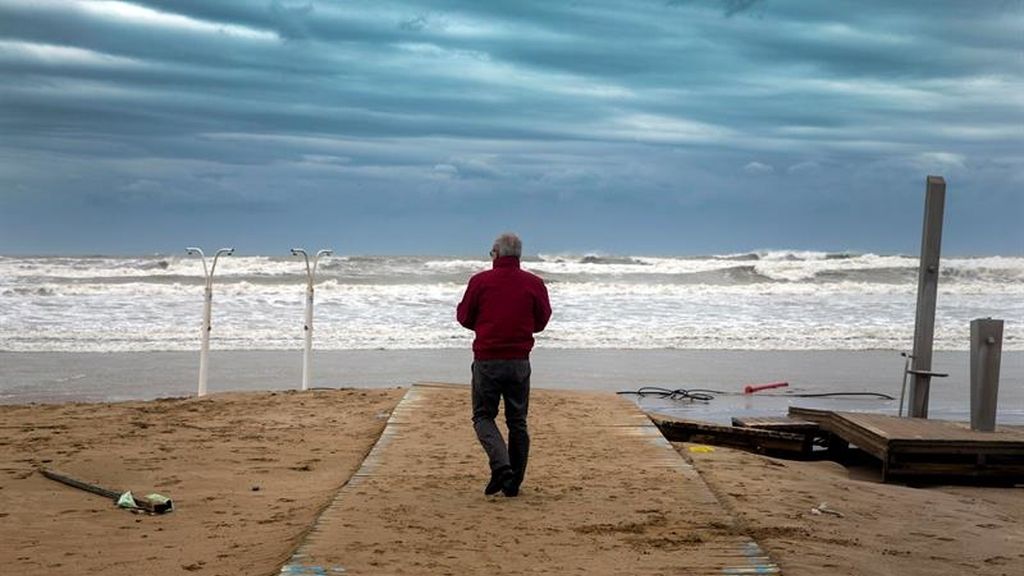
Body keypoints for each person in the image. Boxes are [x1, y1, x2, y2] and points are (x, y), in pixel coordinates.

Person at [457, 232, 551, 497]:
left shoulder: (480, 282)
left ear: (496, 254)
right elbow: (542, 321)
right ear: (518, 255)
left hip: (487, 359)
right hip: (519, 360)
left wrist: (487, 326)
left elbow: (464, 317)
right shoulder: (534, 283)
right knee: (517, 421)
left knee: (483, 416)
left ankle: (501, 467)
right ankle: (513, 482)